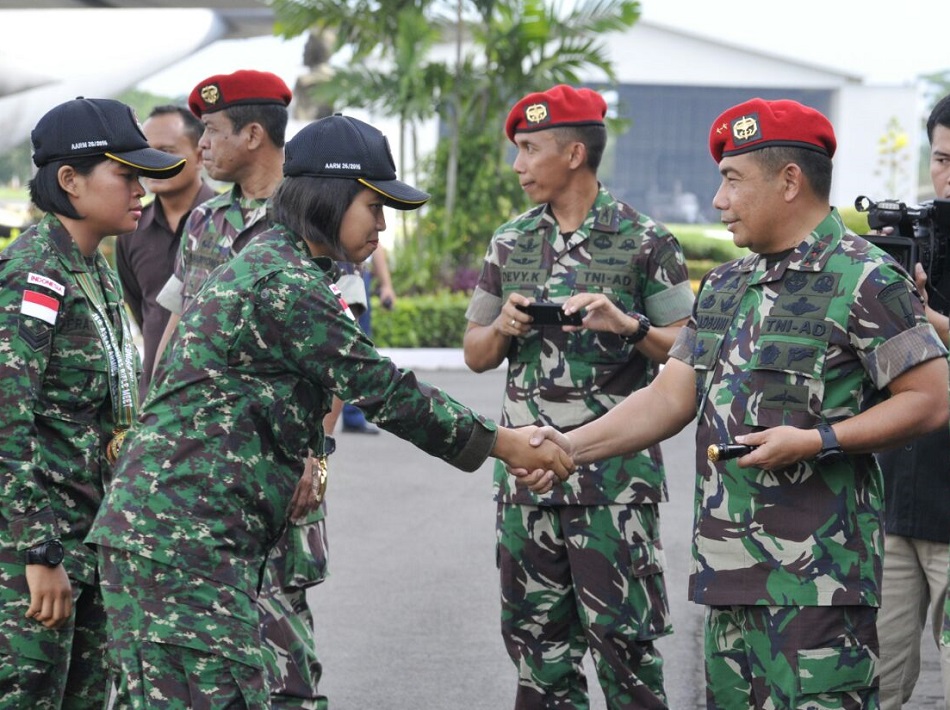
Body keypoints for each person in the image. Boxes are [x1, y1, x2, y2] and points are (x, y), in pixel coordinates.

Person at [85, 113, 573, 707]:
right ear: (331, 199)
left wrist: (315, 456)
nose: (383, 227)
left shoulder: (287, 265)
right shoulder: (283, 281)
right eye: (374, 207)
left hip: (187, 538)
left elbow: (306, 390)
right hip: (180, 543)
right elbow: (384, 390)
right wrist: (506, 443)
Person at [527, 97, 950, 707]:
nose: (718, 202)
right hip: (729, 579)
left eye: (731, 180)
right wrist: (570, 445)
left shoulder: (866, 278)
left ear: (788, 181)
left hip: (817, 590)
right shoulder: (728, 284)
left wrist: (819, 441)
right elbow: (670, 395)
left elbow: (931, 398)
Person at [463, 84, 694, 708]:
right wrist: (504, 326)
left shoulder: (646, 242)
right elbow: (473, 353)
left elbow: (695, 349)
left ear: (573, 153)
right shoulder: (509, 242)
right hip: (527, 477)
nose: (517, 166)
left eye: (530, 149)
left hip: (612, 485)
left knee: (626, 649)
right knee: (536, 649)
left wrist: (628, 325)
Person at [152, 69, 331, 709]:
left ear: (254, 134)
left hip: (279, 459)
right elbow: (176, 327)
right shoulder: (203, 222)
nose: (200, 144)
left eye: (213, 131)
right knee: (205, 630)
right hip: (198, 464)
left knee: (282, 636)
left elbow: (334, 353)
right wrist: (153, 426)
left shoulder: (316, 217)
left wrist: (318, 457)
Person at [0, 97, 184, 708]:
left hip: (89, 547)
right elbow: (7, 425)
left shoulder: (95, 269)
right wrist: (38, 552)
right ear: (70, 181)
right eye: (125, 175)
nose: (141, 190)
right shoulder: (31, 275)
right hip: (34, 560)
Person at [876, 93, 950, 709]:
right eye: (943, 160)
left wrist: (935, 322)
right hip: (895, 509)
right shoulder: (910, 242)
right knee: (873, 683)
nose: (949, 177)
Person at [115, 104, 215, 401]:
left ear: (199, 155)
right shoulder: (131, 231)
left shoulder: (231, 224)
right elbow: (143, 314)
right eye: (147, 152)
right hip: (155, 399)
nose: (153, 163)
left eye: (167, 150)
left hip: (217, 402)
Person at [340, 245, 396, 434]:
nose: (382, 225)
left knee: (354, 347)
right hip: (340, 266)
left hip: (354, 269)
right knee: (349, 346)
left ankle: (352, 415)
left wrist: (386, 285)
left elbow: (376, 243)